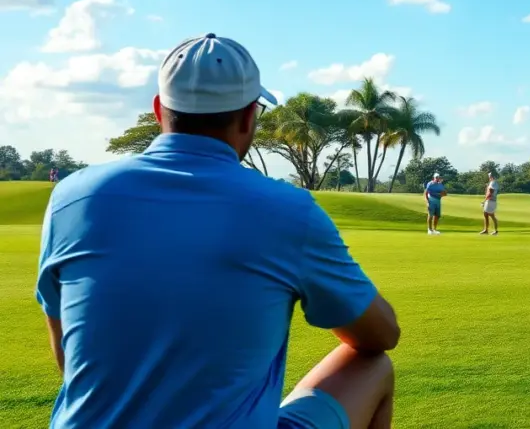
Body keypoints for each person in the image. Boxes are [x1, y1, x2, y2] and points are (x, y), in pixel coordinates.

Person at [35, 33, 400, 429]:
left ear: (159, 108)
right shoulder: (288, 212)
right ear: (248, 116)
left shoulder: (71, 197)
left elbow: (67, 355)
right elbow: (380, 335)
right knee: (373, 366)